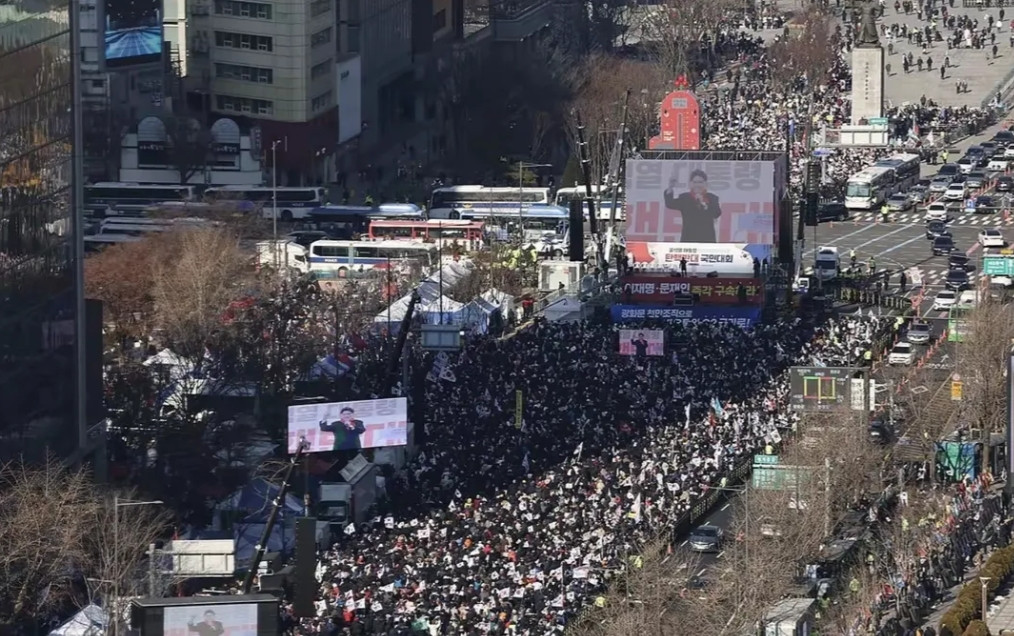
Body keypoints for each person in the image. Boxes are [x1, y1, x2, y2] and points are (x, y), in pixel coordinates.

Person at [663, 169, 722, 243]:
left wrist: (703, 203)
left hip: (707, 240)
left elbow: (717, 213)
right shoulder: (684, 198)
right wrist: (670, 187)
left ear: (705, 184)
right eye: (695, 182)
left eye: (700, 182)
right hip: (688, 239)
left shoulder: (712, 198)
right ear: (691, 184)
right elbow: (670, 204)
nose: (697, 185)